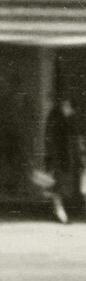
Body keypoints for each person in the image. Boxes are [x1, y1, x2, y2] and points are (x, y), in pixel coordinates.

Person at [45, 96, 81, 224]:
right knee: (58, 187)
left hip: (65, 158)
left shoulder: (68, 121)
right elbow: (52, 140)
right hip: (59, 158)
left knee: (60, 187)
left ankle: (59, 212)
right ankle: (60, 213)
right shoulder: (58, 120)